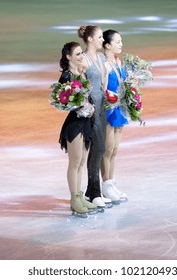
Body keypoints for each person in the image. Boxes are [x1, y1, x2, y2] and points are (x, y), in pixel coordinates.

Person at [58, 41, 97, 215]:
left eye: (82, 53)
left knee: (82, 162)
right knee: (74, 163)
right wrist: (79, 108)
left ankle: (80, 196)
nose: (82, 56)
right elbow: (63, 101)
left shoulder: (81, 74)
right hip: (74, 124)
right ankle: (74, 199)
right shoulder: (66, 77)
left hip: (86, 122)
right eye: (78, 54)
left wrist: (89, 107)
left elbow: (86, 97)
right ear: (68, 57)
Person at [77, 25, 111, 208]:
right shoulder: (83, 59)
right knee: (98, 148)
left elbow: (102, 83)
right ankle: (94, 191)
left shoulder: (100, 58)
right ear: (89, 39)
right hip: (91, 109)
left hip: (102, 106)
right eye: (99, 37)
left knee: (100, 148)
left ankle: (92, 191)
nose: (102, 40)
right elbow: (79, 84)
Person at [101, 29, 128, 202]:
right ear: (107, 45)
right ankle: (105, 186)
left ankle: (111, 183)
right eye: (117, 42)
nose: (121, 45)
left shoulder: (119, 63)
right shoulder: (103, 64)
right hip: (108, 108)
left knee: (115, 150)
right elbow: (101, 88)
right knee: (107, 149)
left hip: (119, 108)